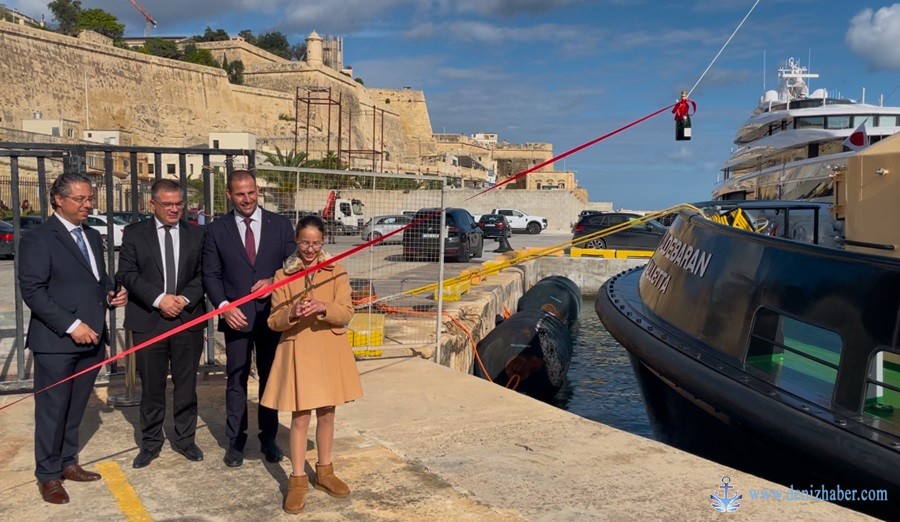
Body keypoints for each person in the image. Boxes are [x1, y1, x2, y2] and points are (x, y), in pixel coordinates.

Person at [18, 172, 128, 504]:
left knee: (75, 408)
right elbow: (33, 292)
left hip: (92, 338)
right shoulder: (39, 238)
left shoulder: (92, 236)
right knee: (52, 409)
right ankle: (48, 475)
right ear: (58, 199)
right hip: (57, 341)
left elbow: (97, 278)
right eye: (80, 199)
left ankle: (68, 462)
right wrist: (71, 325)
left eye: (90, 199)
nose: (88, 205)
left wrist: (110, 293)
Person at [261, 215, 363, 514]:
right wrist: (291, 312)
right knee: (300, 417)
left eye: (316, 243)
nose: (310, 248)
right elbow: (273, 321)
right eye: (305, 242)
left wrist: (323, 307)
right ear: (296, 240)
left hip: (330, 350)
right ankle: (297, 480)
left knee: (328, 413)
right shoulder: (282, 276)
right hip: (299, 350)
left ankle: (326, 472)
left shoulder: (338, 271)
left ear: (323, 242)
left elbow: (346, 313)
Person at [202, 169, 296, 467]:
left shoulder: (279, 225)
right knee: (236, 378)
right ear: (229, 195)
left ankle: (268, 436)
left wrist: (273, 281)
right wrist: (224, 306)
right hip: (236, 318)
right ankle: (236, 439)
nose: (247, 199)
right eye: (240, 194)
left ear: (258, 191)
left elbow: (294, 264)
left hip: (271, 316)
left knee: (270, 377)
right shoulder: (217, 230)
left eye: (251, 192)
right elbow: (211, 275)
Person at [116, 179, 207, 469]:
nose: (174, 209)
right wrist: (159, 299)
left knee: (186, 385)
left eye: (179, 203)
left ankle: (186, 440)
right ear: (152, 204)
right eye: (167, 204)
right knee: (152, 387)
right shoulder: (133, 234)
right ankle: (151, 443)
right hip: (149, 320)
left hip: (186, 318)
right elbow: (127, 274)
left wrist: (182, 299)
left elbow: (205, 274)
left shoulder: (197, 234)